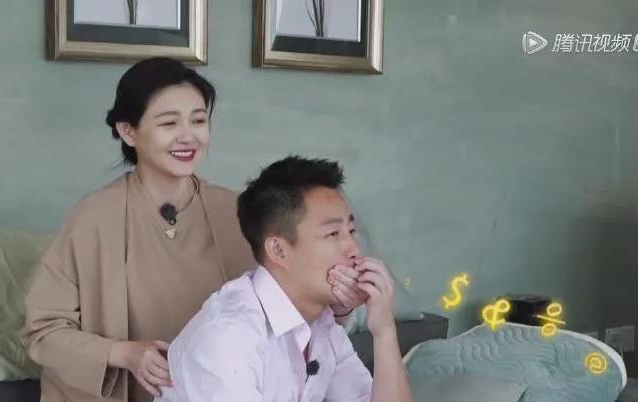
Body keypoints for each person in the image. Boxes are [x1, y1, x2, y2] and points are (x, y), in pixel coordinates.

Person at [21, 58, 366, 402]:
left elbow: (292, 307)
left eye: (198, 120)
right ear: (128, 131)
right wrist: (123, 353)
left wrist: (342, 308)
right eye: (169, 123)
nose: (188, 136)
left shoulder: (236, 211)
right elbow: (43, 332)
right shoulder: (93, 218)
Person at [157, 156, 413, 402]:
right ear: (279, 251)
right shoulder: (228, 336)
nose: (354, 249)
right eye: (333, 234)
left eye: (351, 231)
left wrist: (384, 331)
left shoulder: (323, 326)